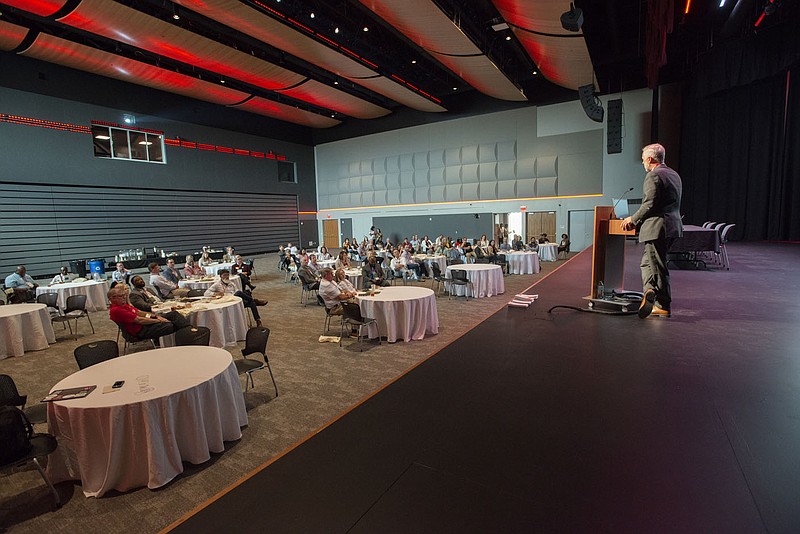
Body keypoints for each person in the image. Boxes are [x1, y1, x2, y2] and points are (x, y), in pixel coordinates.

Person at [623, 143, 683, 318]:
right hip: (672, 226)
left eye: (643, 160)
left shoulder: (653, 176)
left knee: (657, 265)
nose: (643, 164)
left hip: (657, 227)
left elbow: (649, 204)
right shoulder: (674, 175)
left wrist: (632, 220)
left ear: (650, 159)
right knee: (647, 263)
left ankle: (662, 304)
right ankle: (649, 290)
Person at [108, 284, 191, 341]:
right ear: (113, 298)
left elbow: (140, 313)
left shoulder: (124, 305)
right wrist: (159, 320)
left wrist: (155, 316)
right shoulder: (116, 310)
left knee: (174, 314)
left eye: (124, 295)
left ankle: (190, 332)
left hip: (144, 324)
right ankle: (190, 335)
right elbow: (140, 320)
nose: (124, 297)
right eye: (121, 296)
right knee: (172, 325)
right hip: (140, 331)